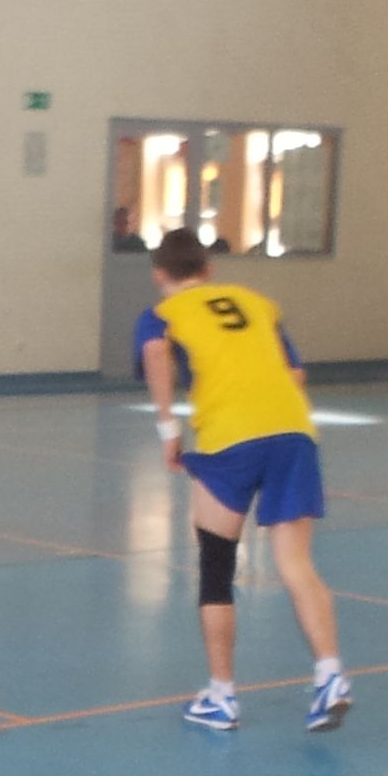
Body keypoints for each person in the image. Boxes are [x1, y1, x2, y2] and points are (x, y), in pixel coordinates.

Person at [137, 232, 351, 732]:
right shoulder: (257, 304)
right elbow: (295, 374)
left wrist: (169, 429)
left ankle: (222, 696)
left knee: (217, 566)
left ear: (159, 273)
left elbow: (155, 354)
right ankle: (330, 674)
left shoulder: (163, 314)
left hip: (229, 441)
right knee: (296, 563)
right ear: (208, 268)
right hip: (293, 433)